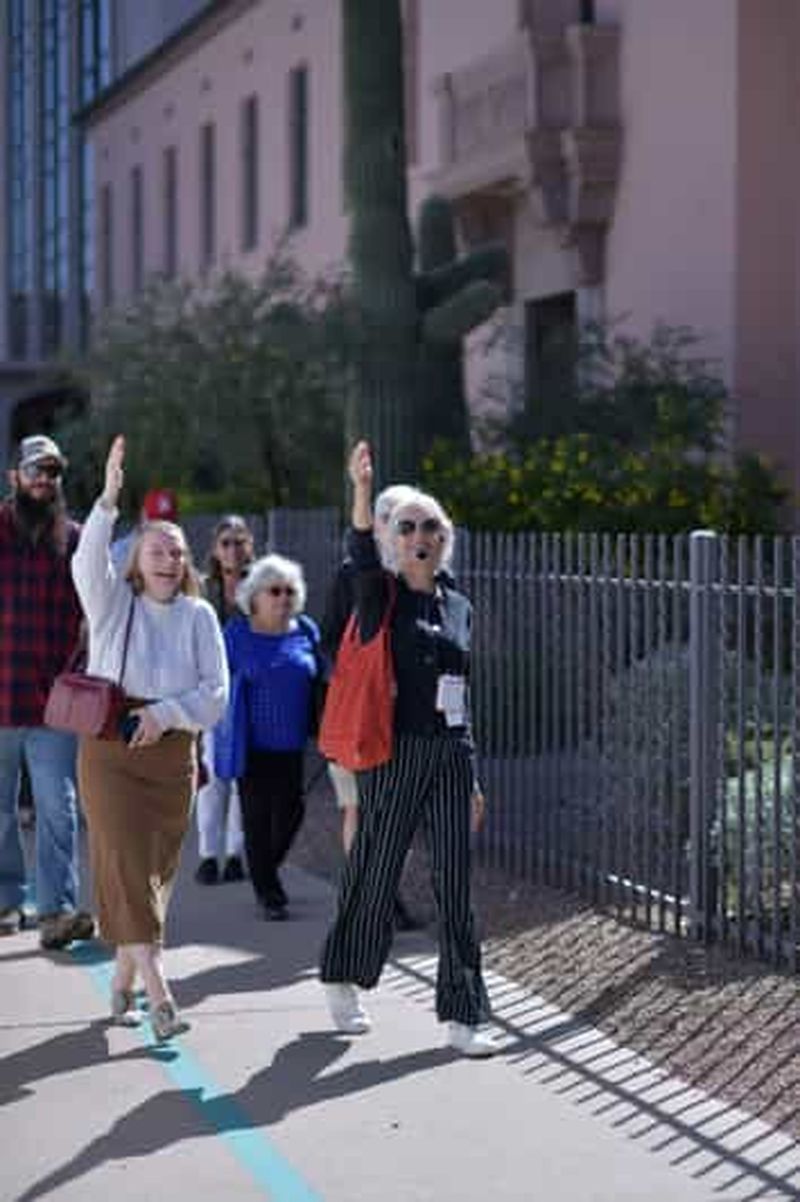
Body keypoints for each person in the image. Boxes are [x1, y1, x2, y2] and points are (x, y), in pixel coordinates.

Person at [319, 441, 495, 1058]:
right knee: (375, 866)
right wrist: (363, 492)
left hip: (450, 753)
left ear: (446, 539)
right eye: (409, 526)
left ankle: (464, 1016)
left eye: (433, 527)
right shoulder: (380, 598)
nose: (422, 535)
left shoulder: (461, 607)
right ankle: (344, 977)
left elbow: (461, 695)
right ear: (396, 539)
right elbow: (360, 551)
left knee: (456, 882)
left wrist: (472, 775)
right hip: (394, 752)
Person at [72, 436, 228, 1040]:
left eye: (178, 551)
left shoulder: (200, 616)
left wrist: (166, 714)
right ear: (136, 559)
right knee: (125, 863)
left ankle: (122, 979)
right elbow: (86, 562)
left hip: (171, 756)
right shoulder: (113, 603)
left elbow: (216, 695)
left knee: (152, 871)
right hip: (110, 748)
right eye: (157, 550)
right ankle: (162, 997)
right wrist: (109, 499)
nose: (168, 558)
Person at [0, 434, 95, 950]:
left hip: (56, 705)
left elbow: (98, 614)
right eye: (35, 470)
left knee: (59, 808)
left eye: (52, 472)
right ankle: (5, 901)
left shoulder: (76, 540)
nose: (43, 480)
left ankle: (56, 912)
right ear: (15, 476)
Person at [320, 478, 424, 930]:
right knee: (358, 808)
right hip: (361, 713)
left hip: (406, 715)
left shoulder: (424, 576)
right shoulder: (353, 574)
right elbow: (329, 636)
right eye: (394, 520)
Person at [214, 553, 320, 921]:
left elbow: (321, 679)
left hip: (293, 744)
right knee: (257, 817)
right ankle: (269, 893)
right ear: (254, 597)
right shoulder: (237, 634)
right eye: (274, 590)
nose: (283, 598)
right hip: (251, 744)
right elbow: (217, 683)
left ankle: (263, 868)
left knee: (292, 811)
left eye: (290, 591)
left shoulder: (306, 630)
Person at [194, 515, 254, 886]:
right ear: (215, 550)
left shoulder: (263, 585)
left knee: (242, 778)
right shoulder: (201, 589)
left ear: (250, 544)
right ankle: (207, 854)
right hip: (211, 691)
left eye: (239, 541)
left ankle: (236, 853)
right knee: (211, 774)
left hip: (250, 691)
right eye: (226, 542)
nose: (233, 549)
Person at [110, 487, 179, 569]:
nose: (160, 530)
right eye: (154, 522)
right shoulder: (118, 554)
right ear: (143, 516)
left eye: (166, 525)